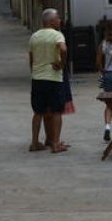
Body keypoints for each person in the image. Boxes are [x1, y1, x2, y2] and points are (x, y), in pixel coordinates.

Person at [29, 8, 69, 154]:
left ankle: (34, 142)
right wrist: (61, 64)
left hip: (37, 78)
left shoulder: (34, 36)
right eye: (57, 18)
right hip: (53, 78)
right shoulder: (57, 35)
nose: (60, 21)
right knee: (57, 110)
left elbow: (31, 58)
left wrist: (34, 72)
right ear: (51, 21)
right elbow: (63, 50)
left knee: (38, 111)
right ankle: (56, 143)